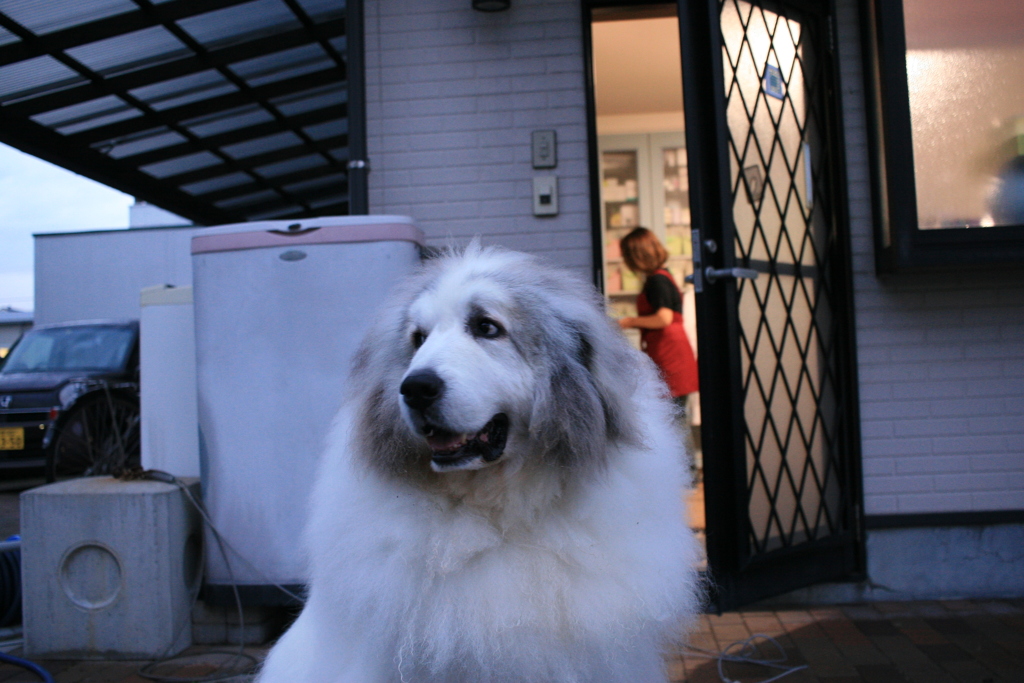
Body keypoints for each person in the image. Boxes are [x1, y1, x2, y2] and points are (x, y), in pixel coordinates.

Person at [617, 227, 699, 407]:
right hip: (674, 354)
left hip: (670, 356)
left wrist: (630, 322)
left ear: (638, 256)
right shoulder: (663, 276)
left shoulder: (657, 281)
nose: (625, 260)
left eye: (627, 255)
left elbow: (664, 318)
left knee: (672, 418)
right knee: (675, 414)